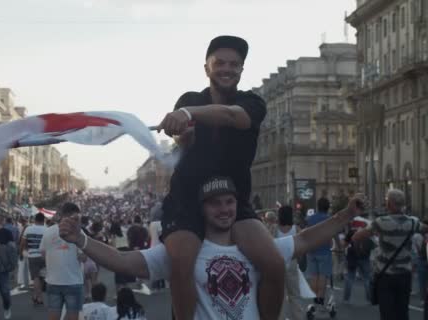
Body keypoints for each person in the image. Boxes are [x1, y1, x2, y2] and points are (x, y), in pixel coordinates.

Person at [59, 176, 366, 319]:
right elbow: (126, 262)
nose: (223, 209)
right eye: (215, 203)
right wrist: (81, 239)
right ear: (202, 209)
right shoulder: (184, 253)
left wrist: (347, 215)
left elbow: (305, 240)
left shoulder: (258, 249)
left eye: (229, 202)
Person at [156, 35, 282, 320]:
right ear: (206, 68)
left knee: (274, 265)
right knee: (180, 262)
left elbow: (232, 116)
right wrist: (182, 133)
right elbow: (181, 138)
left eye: (234, 64)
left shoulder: (252, 102)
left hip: (233, 202)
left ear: (241, 70)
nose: (227, 69)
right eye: (220, 63)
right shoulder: (189, 99)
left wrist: (187, 114)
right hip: (187, 201)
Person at [353, 189, 428, 320]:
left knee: (387, 313)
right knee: (403, 311)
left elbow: (357, 237)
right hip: (405, 274)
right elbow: (425, 229)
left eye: (387, 201)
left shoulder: (380, 222)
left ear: (390, 204)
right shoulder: (412, 222)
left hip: (385, 274)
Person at [39, 202, 85, 320]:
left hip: (53, 281)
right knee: (73, 316)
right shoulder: (79, 232)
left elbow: (43, 254)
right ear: (72, 215)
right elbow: (83, 257)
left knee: (53, 315)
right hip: (73, 281)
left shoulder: (48, 231)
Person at [273, 206, 303, 320]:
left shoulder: (274, 229)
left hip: (278, 264)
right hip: (292, 262)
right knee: (294, 295)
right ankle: (298, 317)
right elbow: (302, 245)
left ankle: (280, 317)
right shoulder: (296, 228)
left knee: (280, 296)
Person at [305, 198, 334, 310]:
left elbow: (306, 234)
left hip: (312, 250)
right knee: (323, 276)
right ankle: (320, 297)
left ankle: (314, 298)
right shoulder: (329, 219)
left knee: (314, 276)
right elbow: (333, 233)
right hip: (324, 251)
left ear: (317, 206)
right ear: (328, 207)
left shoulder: (310, 219)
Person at [22, 213, 47, 305]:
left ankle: (39, 298)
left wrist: (23, 251)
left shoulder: (28, 229)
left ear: (35, 220)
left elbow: (23, 242)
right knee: (42, 277)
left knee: (35, 277)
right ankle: (35, 296)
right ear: (43, 220)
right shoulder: (47, 229)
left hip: (32, 255)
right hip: (44, 256)